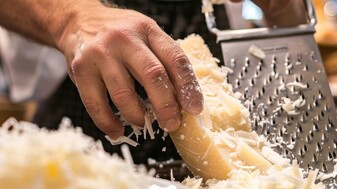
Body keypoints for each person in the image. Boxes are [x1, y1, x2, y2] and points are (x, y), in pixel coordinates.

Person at [0, 0, 306, 164]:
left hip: (221, 185)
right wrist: (70, 19)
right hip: (76, 172)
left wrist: (284, 8)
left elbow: (287, 29)